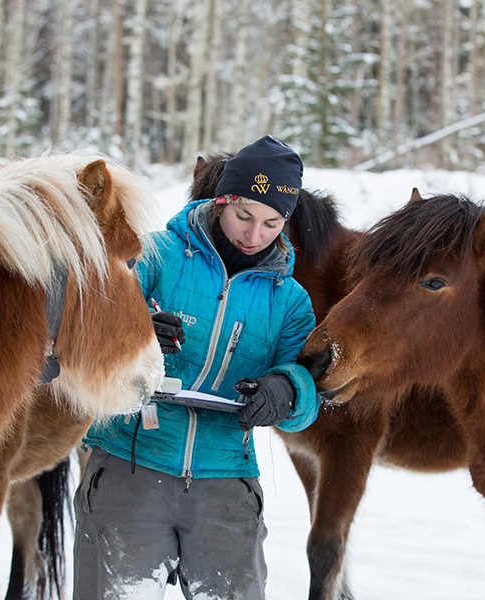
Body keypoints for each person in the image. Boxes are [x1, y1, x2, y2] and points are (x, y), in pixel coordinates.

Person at [74, 135, 320, 599]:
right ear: (220, 200)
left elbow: (307, 397)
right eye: (244, 216)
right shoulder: (155, 255)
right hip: (129, 467)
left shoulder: (290, 301)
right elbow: (91, 328)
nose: (254, 234)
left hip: (225, 486)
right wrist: (137, 329)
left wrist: (287, 389)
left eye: (271, 223)